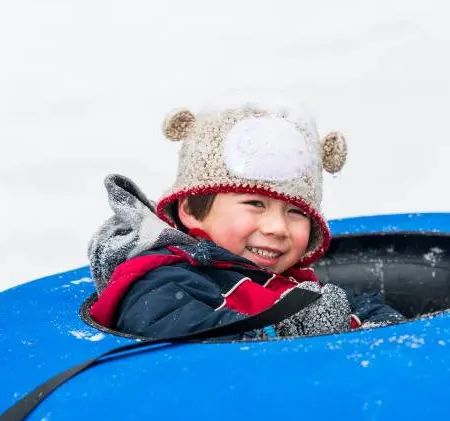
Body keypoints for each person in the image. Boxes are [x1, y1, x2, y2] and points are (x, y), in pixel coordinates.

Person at [86, 97, 405, 339]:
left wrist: (378, 330)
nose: (278, 227)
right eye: (255, 204)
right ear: (190, 210)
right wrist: (287, 331)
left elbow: (360, 305)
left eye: (296, 212)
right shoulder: (164, 281)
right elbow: (184, 341)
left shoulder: (283, 279)